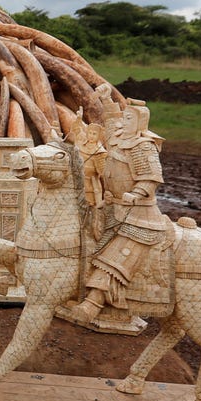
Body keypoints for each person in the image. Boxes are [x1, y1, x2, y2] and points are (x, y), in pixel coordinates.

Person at [66, 87, 167, 324]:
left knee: (117, 253)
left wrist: (136, 194)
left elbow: (151, 178)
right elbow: (112, 119)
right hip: (111, 207)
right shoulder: (119, 137)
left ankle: (94, 303)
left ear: (141, 122)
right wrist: (106, 98)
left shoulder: (144, 146)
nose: (125, 121)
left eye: (130, 118)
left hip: (139, 214)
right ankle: (74, 289)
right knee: (86, 240)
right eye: (126, 117)